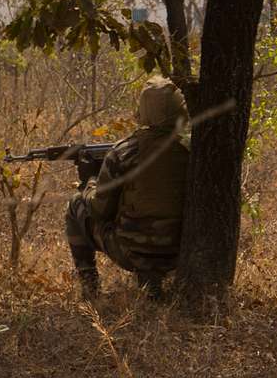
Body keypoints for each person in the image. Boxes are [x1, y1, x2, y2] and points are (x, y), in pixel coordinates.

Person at [64, 76, 190, 299]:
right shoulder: (192, 151)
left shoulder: (123, 153)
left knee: (76, 204)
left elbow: (99, 210)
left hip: (131, 252)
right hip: (180, 251)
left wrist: (90, 181)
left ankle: (89, 286)